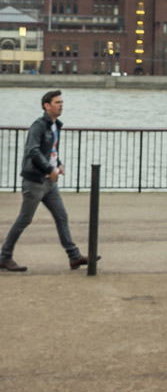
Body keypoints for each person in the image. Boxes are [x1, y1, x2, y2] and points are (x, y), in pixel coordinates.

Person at [1, 90, 88, 273]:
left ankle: (74, 257)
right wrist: (49, 169)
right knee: (24, 219)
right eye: (57, 102)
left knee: (62, 217)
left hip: (49, 183)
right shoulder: (39, 126)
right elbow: (33, 151)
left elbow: (51, 151)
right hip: (35, 181)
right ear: (46, 106)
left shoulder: (56, 126)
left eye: (62, 102)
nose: (61, 105)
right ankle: (4, 257)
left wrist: (59, 164)